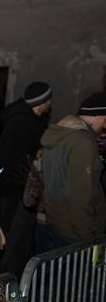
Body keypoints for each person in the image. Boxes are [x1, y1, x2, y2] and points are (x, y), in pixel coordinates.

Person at [36, 92, 106, 252]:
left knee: (53, 275)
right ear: (97, 116)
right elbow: (79, 195)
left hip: (53, 221)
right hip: (75, 232)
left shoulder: (59, 135)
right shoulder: (83, 142)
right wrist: (87, 237)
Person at [0, 81, 52, 233]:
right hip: (15, 185)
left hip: (21, 184)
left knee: (18, 229)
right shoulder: (22, 123)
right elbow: (13, 158)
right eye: (48, 99)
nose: (50, 103)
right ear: (41, 102)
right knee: (10, 228)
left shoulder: (34, 120)